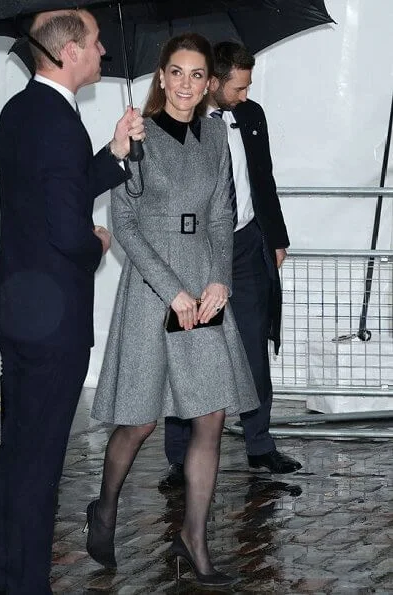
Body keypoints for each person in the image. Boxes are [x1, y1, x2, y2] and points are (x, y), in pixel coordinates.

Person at [0, 9, 145, 595]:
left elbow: (59, 185)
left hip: (21, 310)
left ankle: (0, 578)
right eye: (96, 44)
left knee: (16, 454)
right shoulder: (56, 121)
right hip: (53, 320)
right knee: (39, 464)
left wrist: (116, 152)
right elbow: (66, 228)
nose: (104, 53)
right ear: (70, 52)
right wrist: (97, 242)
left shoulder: (24, 110)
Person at [86, 33, 259, 588]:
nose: (186, 84)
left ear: (210, 82)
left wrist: (219, 280)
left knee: (211, 415)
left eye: (197, 74)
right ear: (162, 76)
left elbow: (220, 214)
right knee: (138, 421)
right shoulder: (136, 134)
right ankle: (106, 506)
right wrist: (171, 289)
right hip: (150, 287)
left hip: (204, 285)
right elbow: (126, 225)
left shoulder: (215, 133)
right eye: (177, 73)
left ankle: (194, 538)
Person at [161, 41, 302, 488]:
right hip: (196, 253)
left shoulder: (251, 115)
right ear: (214, 82)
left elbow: (264, 178)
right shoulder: (184, 123)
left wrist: (275, 239)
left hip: (246, 246)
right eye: (237, 88)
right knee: (189, 353)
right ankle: (179, 460)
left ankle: (260, 445)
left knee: (253, 349)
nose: (244, 95)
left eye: (247, 87)